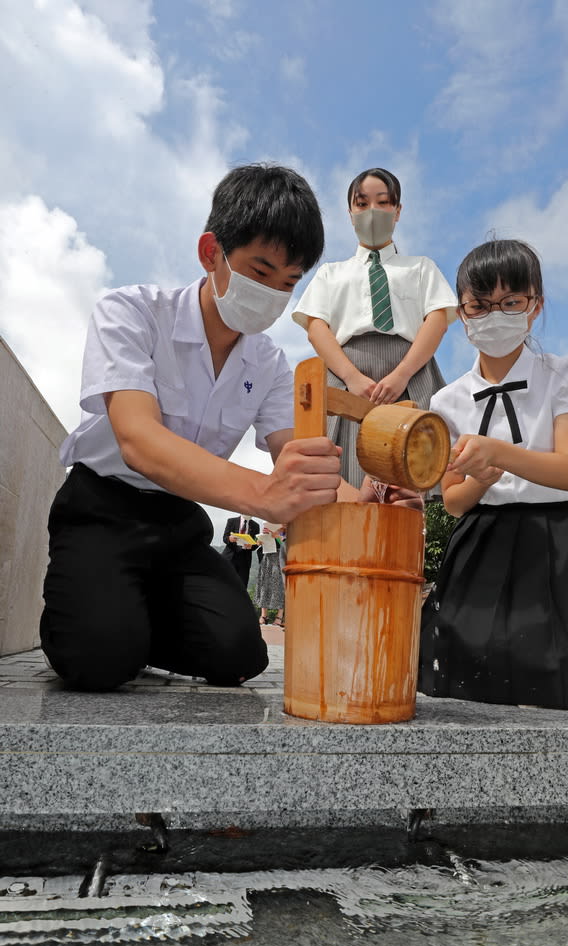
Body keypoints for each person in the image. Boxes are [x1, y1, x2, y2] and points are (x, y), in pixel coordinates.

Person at [41, 163, 343, 693]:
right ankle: (103, 618)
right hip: (101, 507)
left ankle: (128, 617)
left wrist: (374, 499)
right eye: (260, 270)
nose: (273, 293)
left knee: (240, 655)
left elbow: (297, 459)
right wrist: (263, 496)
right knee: (97, 662)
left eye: (289, 283)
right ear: (211, 253)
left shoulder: (271, 364)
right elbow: (138, 441)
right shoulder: (132, 312)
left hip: (179, 521)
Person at [419, 238, 568, 712]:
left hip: (558, 536)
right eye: (480, 305)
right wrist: (483, 479)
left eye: (511, 302)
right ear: (462, 311)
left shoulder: (563, 373)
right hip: (482, 542)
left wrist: (499, 453)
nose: (496, 315)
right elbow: (452, 501)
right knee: (476, 671)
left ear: (535, 304)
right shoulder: (448, 400)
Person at [292, 167, 458, 487]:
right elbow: (316, 326)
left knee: (410, 468)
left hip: (410, 370)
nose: (372, 211)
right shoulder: (330, 273)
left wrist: (402, 374)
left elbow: (436, 321)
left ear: (398, 211)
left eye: (383, 202)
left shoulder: (421, 268)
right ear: (350, 212)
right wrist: (352, 377)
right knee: (345, 470)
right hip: (346, 372)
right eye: (362, 202)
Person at [254, 523, 285, 626]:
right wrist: (260, 540)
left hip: (280, 557)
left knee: (279, 585)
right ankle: (263, 615)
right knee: (264, 584)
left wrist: (278, 537)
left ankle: (279, 616)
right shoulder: (267, 525)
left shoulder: (289, 527)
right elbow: (258, 542)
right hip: (267, 555)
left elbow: (287, 545)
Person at [222, 513, 261, 587]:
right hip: (230, 557)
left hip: (245, 559)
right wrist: (229, 539)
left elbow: (255, 544)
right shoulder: (231, 521)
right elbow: (225, 538)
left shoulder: (256, 525)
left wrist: (251, 546)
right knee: (226, 584)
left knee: (242, 585)